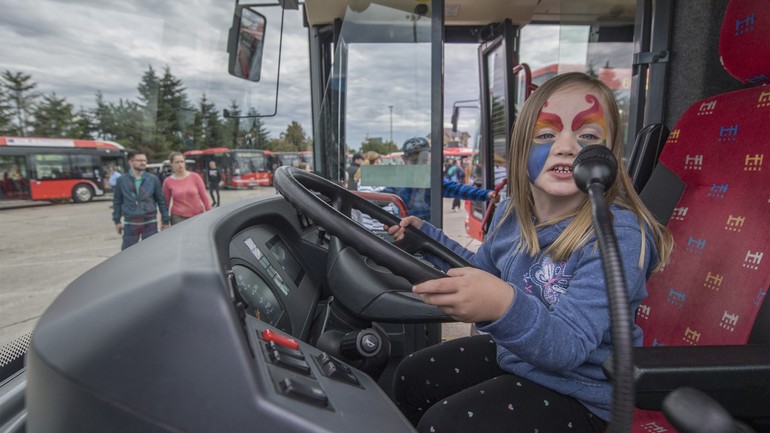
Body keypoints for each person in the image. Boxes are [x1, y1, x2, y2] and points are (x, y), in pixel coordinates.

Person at [385, 72, 673, 433]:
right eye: (547, 134)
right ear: (521, 148)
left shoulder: (617, 234)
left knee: (447, 424)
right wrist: (424, 239)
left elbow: (568, 347)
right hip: (520, 358)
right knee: (413, 375)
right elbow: (478, 270)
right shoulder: (511, 215)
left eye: (587, 136)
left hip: (585, 394)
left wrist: (502, 304)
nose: (567, 146)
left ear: (608, 157)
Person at [112, 152, 170, 250]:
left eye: (145, 160)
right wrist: (117, 220)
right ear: (131, 162)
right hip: (130, 223)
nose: (143, 163)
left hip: (150, 222)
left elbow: (161, 200)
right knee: (128, 253)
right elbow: (117, 201)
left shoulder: (153, 179)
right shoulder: (122, 180)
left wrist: (165, 220)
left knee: (151, 251)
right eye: (140, 160)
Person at [162, 152, 211, 225]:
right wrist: (164, 220)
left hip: (197, 215)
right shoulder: (168, 181)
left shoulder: (195, 177)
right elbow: (166, 202)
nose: (180, 164)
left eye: (182, 161)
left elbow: (204, 197)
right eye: (177, 162)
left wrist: (209, 212)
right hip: (178, 217)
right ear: (171, 164)